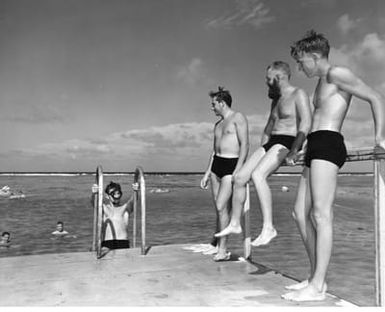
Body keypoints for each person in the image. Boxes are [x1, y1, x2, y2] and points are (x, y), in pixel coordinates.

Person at [282, 30, 385, 302]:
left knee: (321, 215)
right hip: (315, 144)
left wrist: (380, 139)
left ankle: (317, 286)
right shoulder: (320, 82)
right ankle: (317, 276)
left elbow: (375, 97)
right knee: (298, 213)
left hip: (329, 143)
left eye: (301, 61)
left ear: (315, 57)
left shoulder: (338, 73)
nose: (299, 67)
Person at [215, 61, 312, 247]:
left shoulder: (298, 94)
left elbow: (306, 123)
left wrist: (294, 150)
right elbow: (269, 126)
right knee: (240, 177)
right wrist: (262, 151)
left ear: (279, 77)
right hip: (272, 143)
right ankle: (235, 223)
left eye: (268, 79)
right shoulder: (275, 100)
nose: (266, 83)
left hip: (288, 141)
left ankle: (269, 227)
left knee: (258, 175)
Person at [200, 86, 249, 261]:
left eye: (213, 104)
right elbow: (214, 151)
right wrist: (207, 173)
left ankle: (222, 249)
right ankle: (218, 245)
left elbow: (245, 145)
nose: (211, 107)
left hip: (231, 165)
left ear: (222, 102)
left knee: (222, 206)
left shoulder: (238, 118)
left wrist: (238, 169)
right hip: (216, 167)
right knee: (219, 209)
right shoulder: (218, 124)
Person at [92, 181, 137, 250]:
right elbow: (94, 202)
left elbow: (133, 200)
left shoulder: (124, 208)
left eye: (118, 193)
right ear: (107, 196)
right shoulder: (104, 208)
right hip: (107, 242)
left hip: (123, 242)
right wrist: (94, 193)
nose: (116, 196)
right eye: (113, 193)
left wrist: (136, 191)